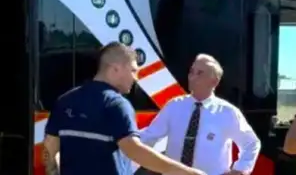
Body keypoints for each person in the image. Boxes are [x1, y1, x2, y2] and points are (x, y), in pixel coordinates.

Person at [42, 41, 205, 175]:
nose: (136, 78)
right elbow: (134, 150)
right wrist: (186, 172)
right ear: (115, 68)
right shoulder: (116, 104)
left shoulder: (65, 101)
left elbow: (50, 147)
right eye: (133, 70)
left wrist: (52, 172)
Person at [140, 54, 261, 175]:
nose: (192, 77)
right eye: (191, 72)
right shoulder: (174, 106)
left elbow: (251, 143)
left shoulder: (227, 112)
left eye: (199, 73)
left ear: (214, 81)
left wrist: (239, 170)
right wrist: (147, 161)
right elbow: (149, 136)